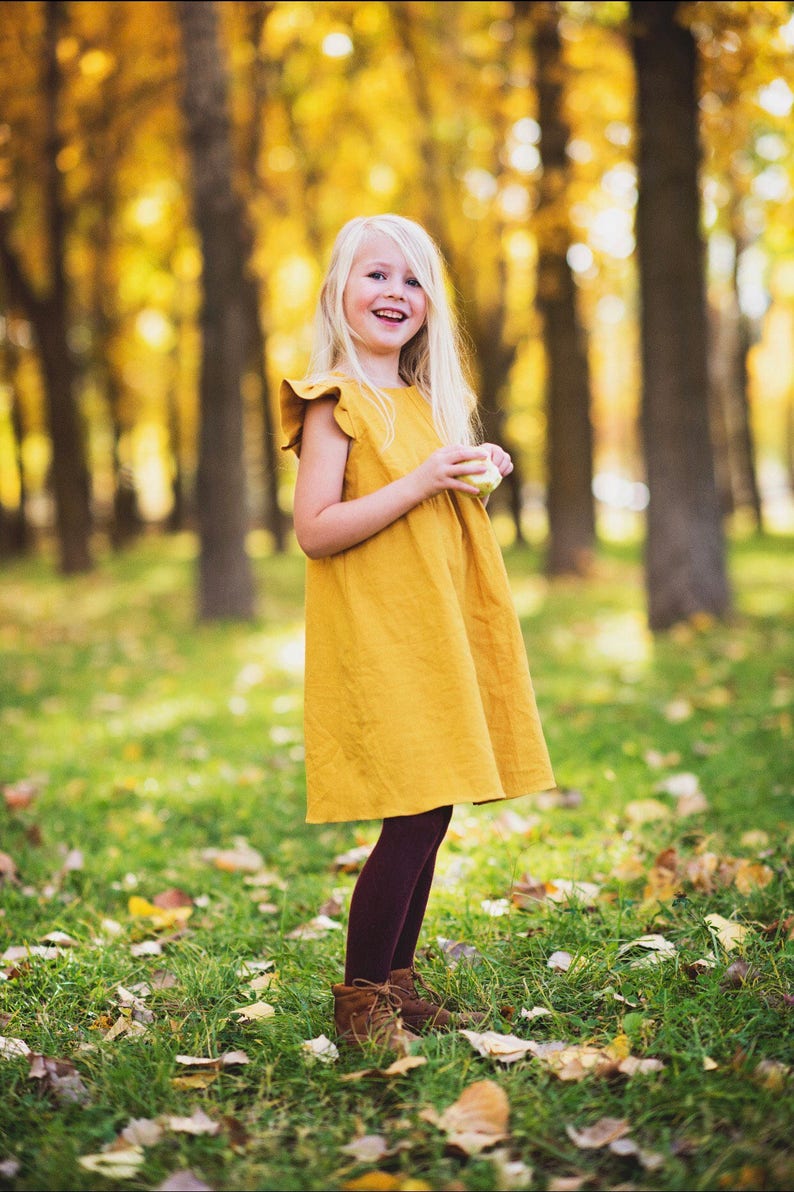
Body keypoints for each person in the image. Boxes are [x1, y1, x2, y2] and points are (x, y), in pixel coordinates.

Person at [280, 214, 555, 1053]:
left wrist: (476, 469)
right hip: (380, 634)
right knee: (410, 813)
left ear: (431, 304)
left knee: (433, 809)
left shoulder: (429, 403)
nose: (395, 293)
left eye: (412, 280)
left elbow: (434, 506)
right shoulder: (334, 401)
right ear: (339, 292)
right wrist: (427, 479)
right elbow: (316, 528)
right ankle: (360, 1000)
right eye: (377, 275)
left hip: (437, 626)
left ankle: (396, 984)